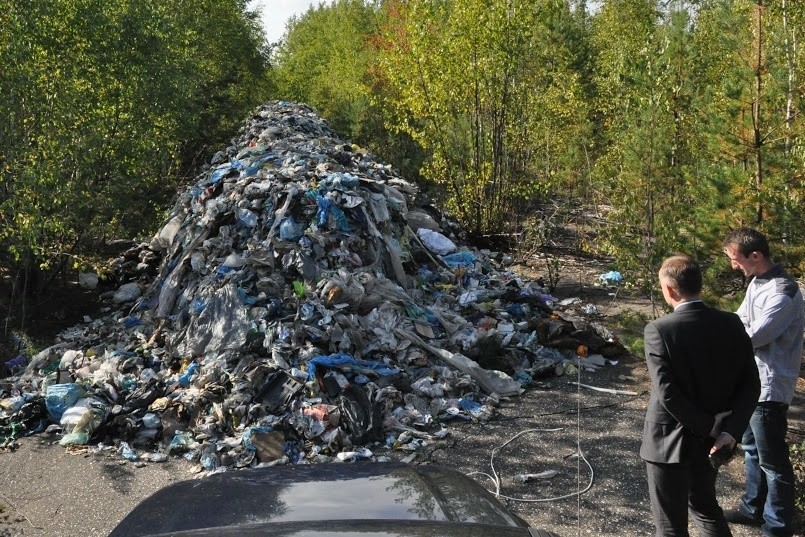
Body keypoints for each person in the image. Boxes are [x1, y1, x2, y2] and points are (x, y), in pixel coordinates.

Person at [640, 254, 760, 537]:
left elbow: (667, 394)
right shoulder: (731, 323)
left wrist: (709, 425)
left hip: (669, 442)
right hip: (712, 442)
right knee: (706, 510)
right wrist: (729, 430)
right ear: (699, 285)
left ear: (669, 289)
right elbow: (751, 383)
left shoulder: (660, 329)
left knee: (670, 525)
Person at [722, 227, 804, 537]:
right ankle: (752, 509)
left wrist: (718, 343)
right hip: (751, 382)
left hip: (770, 386)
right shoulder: (758, 281)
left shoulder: (783, 292)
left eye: (735, 259)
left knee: (773, 461)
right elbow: (740, 320)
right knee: (751, 449)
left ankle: (778, 526)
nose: (733, 265)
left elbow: (757, 335)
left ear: (755, 256)